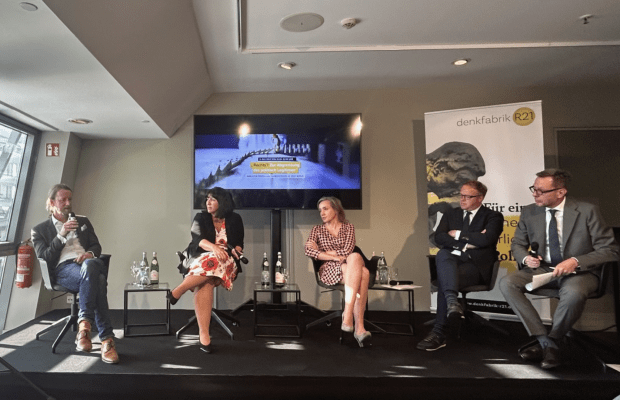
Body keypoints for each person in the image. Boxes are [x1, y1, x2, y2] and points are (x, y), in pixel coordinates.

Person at [500, 169, 619, 369]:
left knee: (573, 292)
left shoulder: (587, 211)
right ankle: (545, 341)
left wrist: (575, 261)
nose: (534, 194)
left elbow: (611, 250)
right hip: (544, 269)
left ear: (560, 192)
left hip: (580, 272)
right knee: (507, 283)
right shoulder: (529, 211)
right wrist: (526, 258)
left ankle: (554, 339)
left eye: (540, 191)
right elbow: (517, 244)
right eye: (533, 189)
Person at [31, 184, 118, 364]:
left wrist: (89, 254)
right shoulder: (39, 230)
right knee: (99, 280)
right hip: (63, 270)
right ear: (51, 202)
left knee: (92, 265)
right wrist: (62, 234)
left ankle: (84, 328)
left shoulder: (83, 221)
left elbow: (96, 246)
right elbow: (45, 258)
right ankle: (107, 340)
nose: (68, 203)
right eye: (62, 200)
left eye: (69, 199)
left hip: (86, 263)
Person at [417, 181, 503, 351]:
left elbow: (486, 239)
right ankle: (452, 303)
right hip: (451, 261)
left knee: (445, 278)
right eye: (461, 195)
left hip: (476, 266)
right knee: (442, 254)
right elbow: (439, 237)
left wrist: (457, 234)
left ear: (480, 198)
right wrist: (469, 242)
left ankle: (439, 332)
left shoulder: (493, 217)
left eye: (467, 196)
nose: (462, 199)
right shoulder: (452, 214)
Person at [168, 187, 244, 354]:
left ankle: (180, 289)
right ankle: (204, 334)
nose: (207, 202)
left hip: (226, 262)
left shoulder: (235, 219)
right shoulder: (201, 217)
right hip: (199, 258)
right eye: (207, 198)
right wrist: (215, 248)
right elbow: (198, 240)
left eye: (212, 199)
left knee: (216, 261)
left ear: (222, 202)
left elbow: (239, 243)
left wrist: (236, 250)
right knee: (207, 278)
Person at [304, 196, 372, 347]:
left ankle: (348, 317)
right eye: (320, 210)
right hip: (328, 269)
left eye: (325, 209)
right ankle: (359, 327)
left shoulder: (348, 227)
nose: (322, 213)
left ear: (336, 209)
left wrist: (322, 252)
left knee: (355, 257)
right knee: (364, 273)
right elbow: (308, 250)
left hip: (349, 266)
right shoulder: (317, 230)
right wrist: (334, 257)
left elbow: (348, 251)